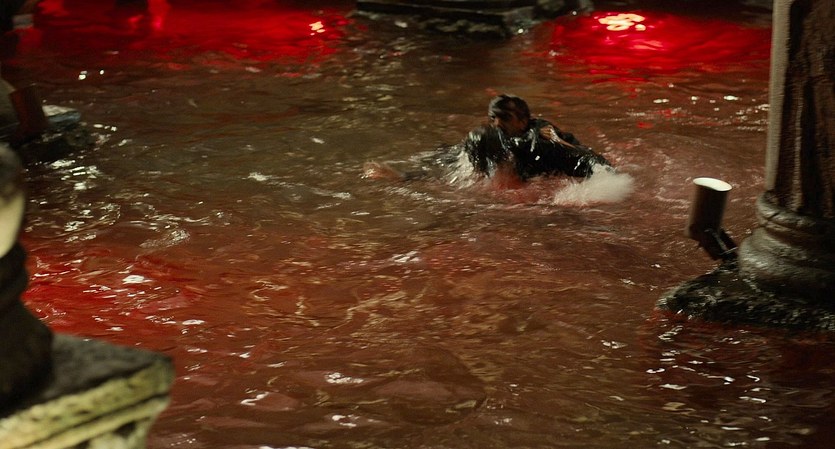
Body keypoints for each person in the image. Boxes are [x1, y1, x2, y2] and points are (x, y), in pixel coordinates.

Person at [462, 94, 611, 181]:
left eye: (505, 118)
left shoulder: (541, 140)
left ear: (523, 122)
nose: (497, 124)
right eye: (493, 118)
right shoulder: (488, 141)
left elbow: (586, 157)